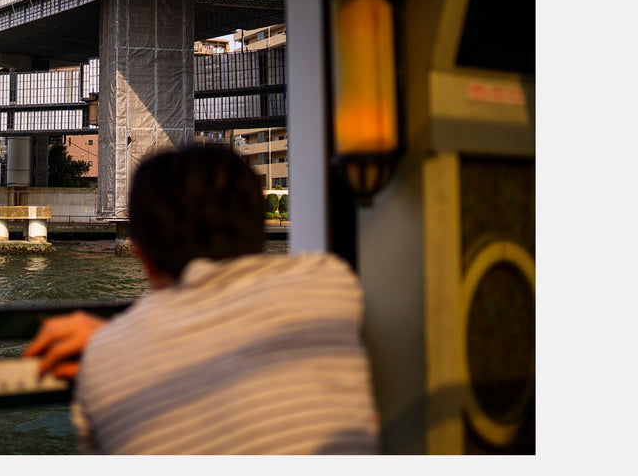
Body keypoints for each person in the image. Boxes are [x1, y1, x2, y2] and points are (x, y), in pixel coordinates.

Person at [23, 143, 380, 454]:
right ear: (260, 226)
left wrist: (110, 338)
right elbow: (230, 329)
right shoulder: (329, 283)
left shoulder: (103, 363)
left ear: (143, 255)